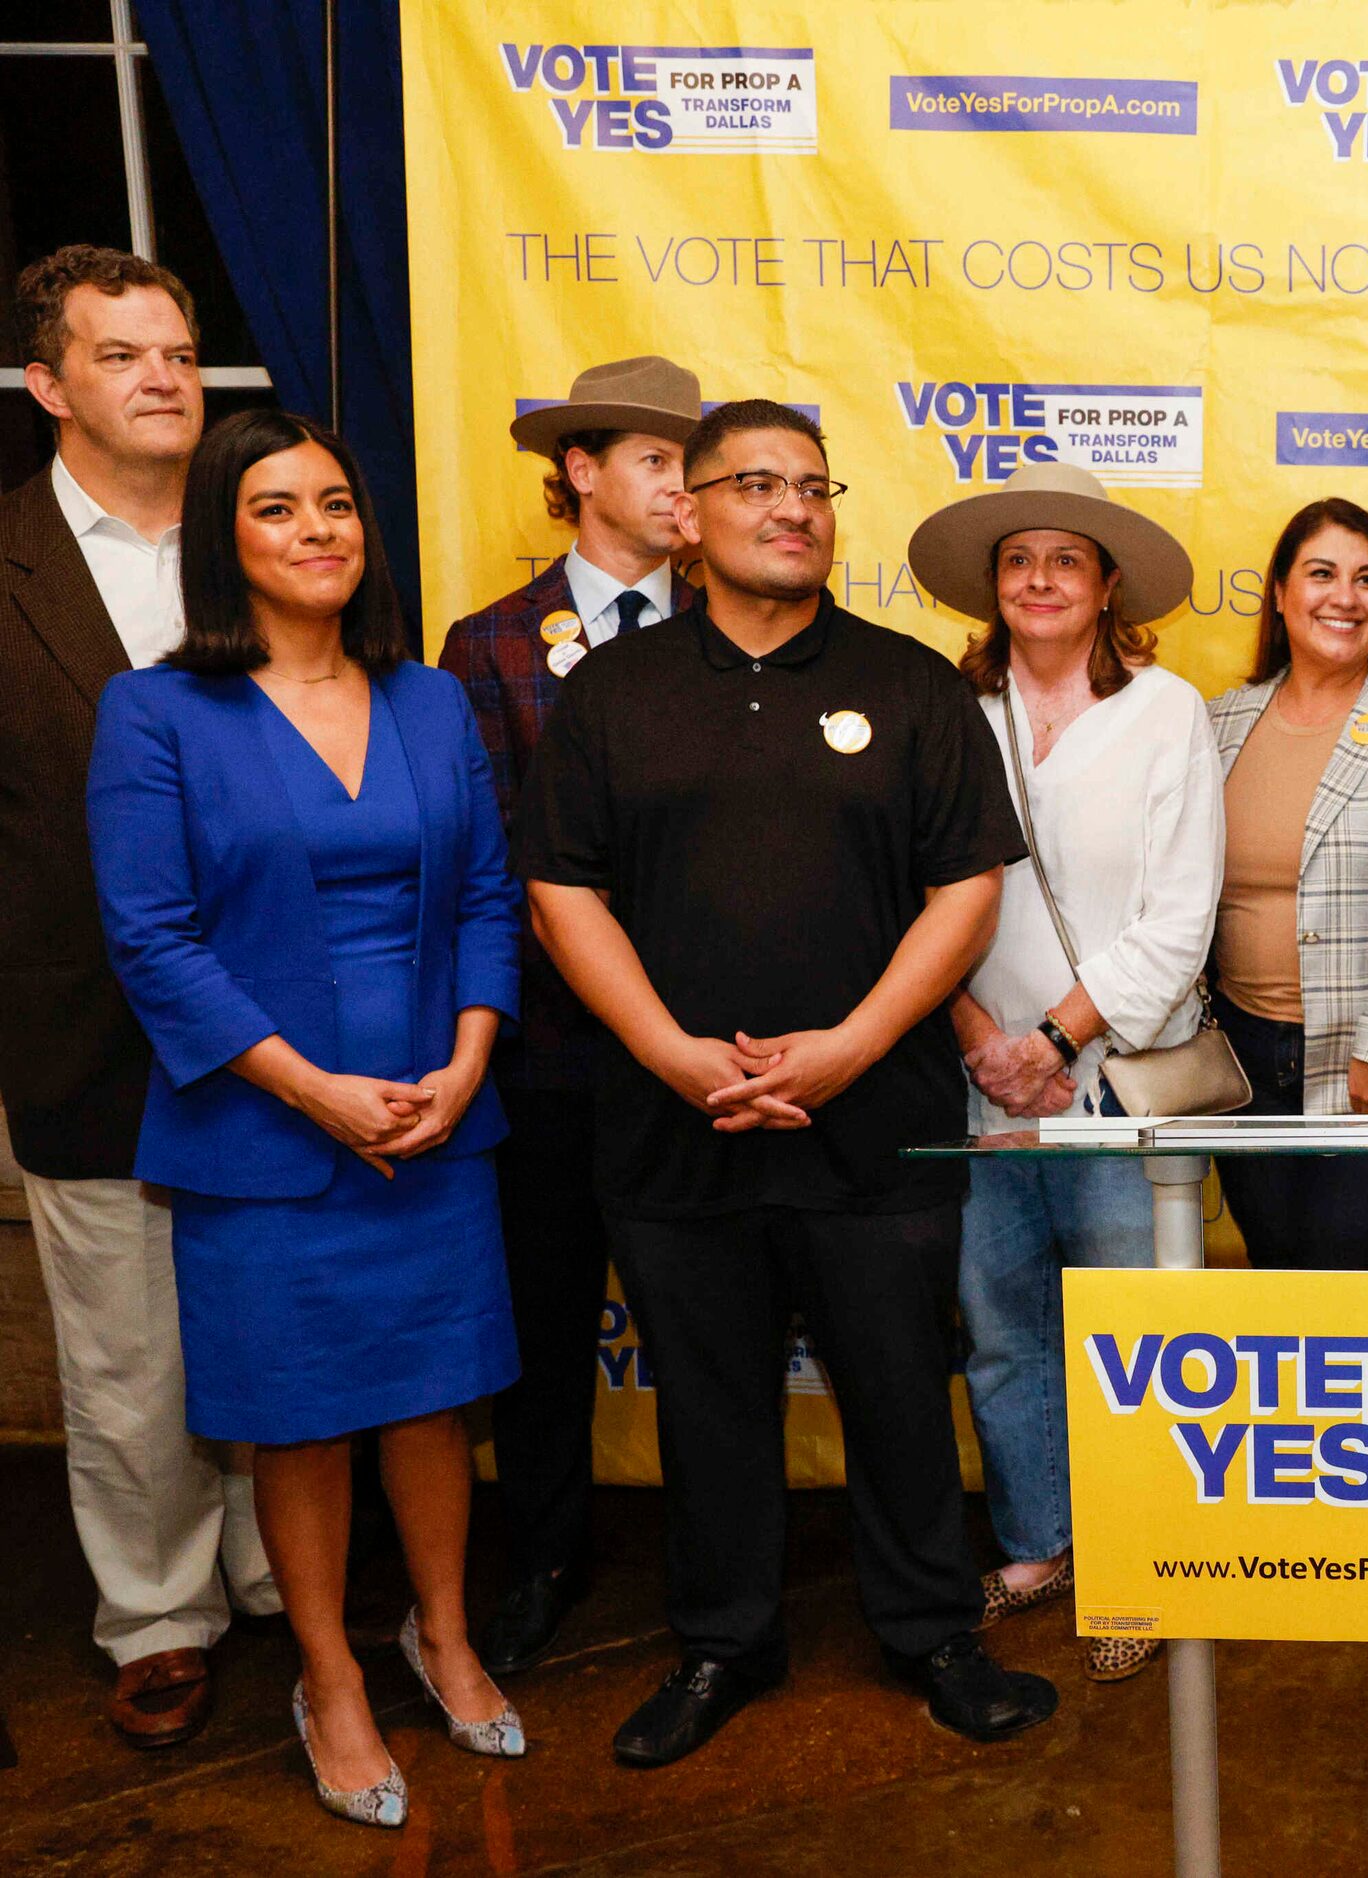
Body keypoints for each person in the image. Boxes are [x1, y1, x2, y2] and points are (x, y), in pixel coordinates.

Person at [520, 399, 1055, 1765]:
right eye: (756, 482)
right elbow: (562, 890)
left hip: (874, 1123)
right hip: (672, 1120)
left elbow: (965, 889)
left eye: (815, 485)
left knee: (894, 1388)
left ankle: (934, 1631)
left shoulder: (911, 684)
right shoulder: (609, 694)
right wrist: (668, 1051)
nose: (792, 507)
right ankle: (721, 1643)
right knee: (706, 1400)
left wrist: (855, 1044)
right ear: (688, 512)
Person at [89, 410, 528, 1827]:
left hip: (430, 1115)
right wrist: (313, 1089)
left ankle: (443, 1633)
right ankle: (330, 1672)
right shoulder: (154, 713)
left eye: (335, 503)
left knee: (430, 1398)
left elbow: (480, 901)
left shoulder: (429, 701)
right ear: (226, 541)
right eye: (277, 509)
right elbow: (153, 938)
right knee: (304, 1417)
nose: (319, 530)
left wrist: (463, 1068)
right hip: (267, 1132)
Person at [2, 244, 280, 1752]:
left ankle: (270, 1567)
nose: (165, 376)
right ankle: (159, 1617)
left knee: (264, 1315)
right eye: (122, 354)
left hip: (293, 1024)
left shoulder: (269, 538)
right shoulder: (5, 564)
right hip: (88, 1034)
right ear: (50, 385)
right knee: (124, 1349)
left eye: (177, 350)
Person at [911, 459, 1221, 1684]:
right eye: (1018, 561)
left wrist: (1048, 1043)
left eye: (1065, 561)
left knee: (1135, 1336)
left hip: (1115, 1081)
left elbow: (1180, 914)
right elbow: (918, 898)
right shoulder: (948, 713)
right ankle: (1039, 1544)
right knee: (999, 1327)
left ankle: (1142, 1562)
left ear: (1106, 589)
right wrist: (978, 1041)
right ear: (994, 589)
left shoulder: (1166, 711)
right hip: (970, 1077)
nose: (1040, 579)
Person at [439, 355, 699, 1677]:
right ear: (583, 470)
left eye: (691, 462)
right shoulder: (488, 646)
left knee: (711, 1324)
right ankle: (541, 1554)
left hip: (714, 1063)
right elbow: (494, 864)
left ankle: (719, 1570)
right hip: (550, 1061)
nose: (682, 485)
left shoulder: (741, 626)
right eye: (657, 457)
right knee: (544, 1329)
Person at [1205, 497, 1368, 1268]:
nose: (1344, 598)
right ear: (1280, 594)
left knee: (1352, 1297)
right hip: (1242, 1068)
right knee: (1277, 1293)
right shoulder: (1218, 722)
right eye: (1321, 574)